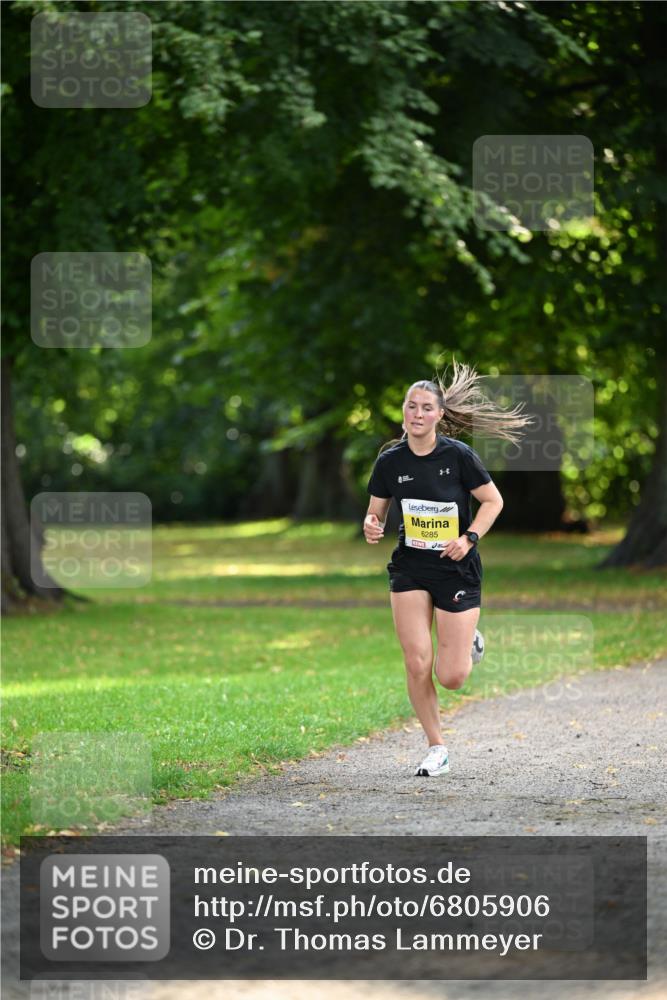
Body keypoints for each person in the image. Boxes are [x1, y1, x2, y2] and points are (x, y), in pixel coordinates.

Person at [364, 361, 532, 777]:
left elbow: (493, 502)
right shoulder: (390, 460)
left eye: (425, 408)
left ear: (439, 415)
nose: (416, 414)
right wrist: (372, 525)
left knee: (452, 676)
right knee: (417, 662)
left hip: (456, 569)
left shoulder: (458, 457)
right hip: (410, 568)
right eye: (410, 406)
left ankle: (469, 639)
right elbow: (376, 513)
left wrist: (469, 538)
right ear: (403, 411)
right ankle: (436, 747)